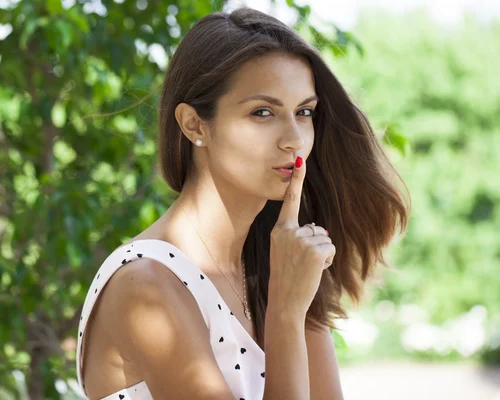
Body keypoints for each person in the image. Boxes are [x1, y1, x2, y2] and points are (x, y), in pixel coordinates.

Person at [75, 6, 410, 400]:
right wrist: (285, 316)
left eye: (304, 112)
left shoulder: (277, 267)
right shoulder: (145, 286)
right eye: (262, 112)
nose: (294, 139)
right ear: (194, 125)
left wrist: (289, 303)